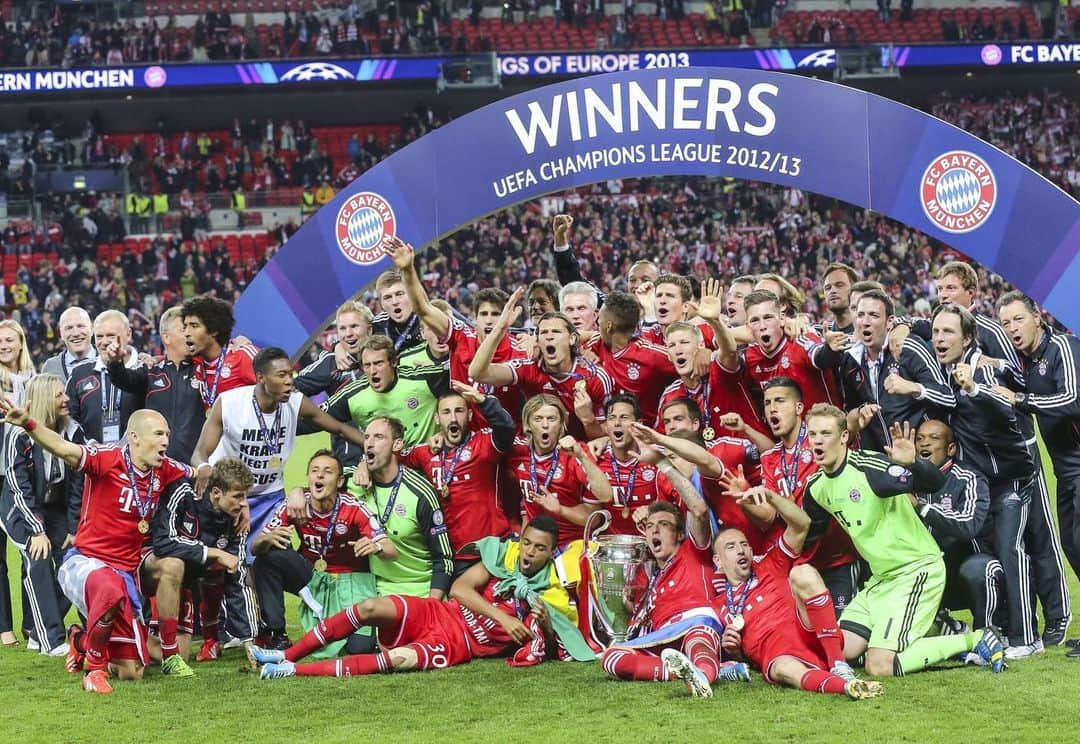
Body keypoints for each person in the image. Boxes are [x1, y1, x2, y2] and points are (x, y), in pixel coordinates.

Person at [0, 401, 192, 694]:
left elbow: (201, 474)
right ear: (135, 437)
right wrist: (29, 423)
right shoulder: (106, 457)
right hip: (85, 564)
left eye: (167, 434)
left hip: (127, 573)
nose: (166, 440)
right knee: (110, 585)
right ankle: (94, 669)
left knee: (132, 673)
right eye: (158, 434)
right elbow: (64, 449)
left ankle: (80, 641)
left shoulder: (164, 469)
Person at [247, 517, 595, 678]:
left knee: (397, 660)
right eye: (528, 543)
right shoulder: (502, 557)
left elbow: (551, 648)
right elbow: (460, 589)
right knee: (369, 608)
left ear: (551, 553)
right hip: (441, 612)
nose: (529, 553)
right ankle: (283, 653)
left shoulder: (550, 594)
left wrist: (547, 629)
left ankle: (292, 670)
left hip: (459, 643)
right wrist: (503, 617)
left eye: (539, 549)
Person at [801, 404, 1006, 676]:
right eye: (813, 433)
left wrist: (913, 463)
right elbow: (808, 538)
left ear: (843, 437)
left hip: (916, 570)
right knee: (842, 650)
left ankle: (976, 639)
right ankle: (937, 627)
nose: (817, 440)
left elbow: (933, 484)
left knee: (879, 665)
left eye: (825, 433)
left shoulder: (870, 470)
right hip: (882, 580)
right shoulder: (816, 488)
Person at [931, 303, 1039, 658]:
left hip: (1010, 480)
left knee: (1011, 552)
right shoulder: (950, 372)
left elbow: (1008, 410)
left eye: (948, 331)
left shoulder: (980, 370)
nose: (940, 338)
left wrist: (975, 389)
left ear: (968, 337)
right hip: (985, 484)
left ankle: (1027, 638)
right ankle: (1001, 632)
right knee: (989, 556)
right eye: (936, 332)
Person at [192, 347, 367, 563]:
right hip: (231, 497)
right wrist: (203, 467)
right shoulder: (229, 403)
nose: (289, 381)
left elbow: (338, 428)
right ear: (261, 378)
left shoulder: (295, 402)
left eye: (291, 374)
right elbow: (200, 453)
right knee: (223, 564)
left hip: (270, 498)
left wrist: (372, 446)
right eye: (281, 375)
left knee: (273, 561)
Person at [713, 483, 882, 699]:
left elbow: (802, 524)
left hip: (808, 632)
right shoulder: (716, 605)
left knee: (802, 572)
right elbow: (730, 655)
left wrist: (770, 497)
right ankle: (846, 687)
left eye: (744, 544)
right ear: (718, 560)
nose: (740, 550)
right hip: (776, 654)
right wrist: (734, 651)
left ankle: (838, 664)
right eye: (731, 547)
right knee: (784, 670)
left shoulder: (770, 565)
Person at [996, 290, 1080, 653]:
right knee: (1073, 546)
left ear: (1037, 317)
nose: (1013, 328)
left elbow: (1072, 399)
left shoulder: (1062, 346)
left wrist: (1020, 399)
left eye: (1018, 319)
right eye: (1005, 323)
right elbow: (1023, 387)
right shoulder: (1026, 363)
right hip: (1065, 469)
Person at [601, 498, 750, 699]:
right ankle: (701, 671)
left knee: (698, 642)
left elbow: (699, 510)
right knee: (612, 658)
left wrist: (666, 466)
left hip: (697, 621)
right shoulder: (647, 576)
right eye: (650, 526)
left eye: (664, 525)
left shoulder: (693, 552)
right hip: (664, 636)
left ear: (680, 534)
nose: (655, 531)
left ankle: (702, 676)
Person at [253, 450, 397, 655]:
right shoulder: (295, 506)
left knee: (360, 649)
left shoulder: (354, 508)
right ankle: (277, 635)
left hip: (349, 583)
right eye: (314, 471)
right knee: (267, 556)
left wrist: (377, 547)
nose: (319, 476)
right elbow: (255, 547)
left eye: (327, 472)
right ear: (308, 478)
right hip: (312, 577)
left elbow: (391, 550)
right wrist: (266, 539)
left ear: (339, 482)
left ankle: (362, 635)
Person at [144, 457, 258, 677]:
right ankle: (113, 638)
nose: (245, 504)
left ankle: (125, 638)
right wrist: (214, 553)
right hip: (154, 572)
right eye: (238, 497)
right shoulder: (183, 491)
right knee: (174, 564)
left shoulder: (236, 520)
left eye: (245, 496)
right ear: (216, 493)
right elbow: (163, 542)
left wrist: (249, 641)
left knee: (180, 655)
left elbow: (238, 578)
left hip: (184, 581)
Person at [757, 377, 862, 614]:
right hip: (803, 564)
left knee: (843, 636)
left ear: (798, 408)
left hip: (838, 559)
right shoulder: (769, 459)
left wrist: (856, 418)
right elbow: (768, 516)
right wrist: (744, 497)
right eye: (767, 403)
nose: (771, 408)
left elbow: (849, 429)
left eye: (779, 401)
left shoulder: (819, 440)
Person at [0, 374, 85, 655]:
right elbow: (17, 485)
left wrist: (73, 528)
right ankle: (51, 640)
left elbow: (78, 486)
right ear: (43, 400)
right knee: (38, 558)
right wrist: (37, 530)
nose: (67, 399)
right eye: (59, 395)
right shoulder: (18, 434)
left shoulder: (73, 431)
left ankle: (38, 629)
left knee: (72, 559)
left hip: (57, 508)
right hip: (19, 508)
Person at [399, 382, 514, 573]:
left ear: (469, 415)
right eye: (446, 412)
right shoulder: (425, 452)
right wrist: (363, 463)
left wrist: (483, 401)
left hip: (496, 548)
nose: (453, 418)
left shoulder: (485, 443)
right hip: (454, 556)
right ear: (437, 418)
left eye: (459, 411)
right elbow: (391, 458)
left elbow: (507, 428)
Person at [820, 289, 955, 450]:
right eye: (861, 315)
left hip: (921, 454)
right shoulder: (850, 360)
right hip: (884, 460)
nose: (865, 321)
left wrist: (913, 388)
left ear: (890, 322)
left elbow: (949, 398)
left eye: (874, 315)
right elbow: (851, 408)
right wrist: (859, 412)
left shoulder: (909, 346)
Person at [910, 418, 1004, 635]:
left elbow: (968, 525)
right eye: (920, 439)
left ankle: (987, 634)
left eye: (934, 438)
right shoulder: (907, 480)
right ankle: (950, 628)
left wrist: (923, 508)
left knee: (980, 568)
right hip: (924, 573)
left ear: (950, 448)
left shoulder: (969, 478)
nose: (925, 444)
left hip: (962, 571)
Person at [471, 302, 611, 441]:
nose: (549, 337)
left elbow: (606, 439)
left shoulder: (595, 377)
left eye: (556, 332)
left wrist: (588, 420)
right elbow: (477, 373)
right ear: (537, 341)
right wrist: (500, 328)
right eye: (544, 333)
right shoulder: (528, 368)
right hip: (540, 450)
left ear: (572, 338)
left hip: (581, 451)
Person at [347, 416, 453, 598]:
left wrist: (432, 605)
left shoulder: (420, 493)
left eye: (378, 437)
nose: (369, 444)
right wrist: (297, 493)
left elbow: (443, 559)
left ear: (397, 445)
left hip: (420, 589)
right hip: (375, 589)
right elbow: (319, 483)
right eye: (366, 438)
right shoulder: (352, 481)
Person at [507, 395, 613, 547]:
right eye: (538, 419)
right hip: (532, 546)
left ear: (562, 424)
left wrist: (560, 510)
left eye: (551, 419)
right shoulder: (518, 452)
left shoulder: (575, 453)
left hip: (570, 545)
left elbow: (605, 496)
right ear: (528, 425)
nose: (545, 425)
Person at [105, 307, 202, 462]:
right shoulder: (151, 371)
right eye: (184, 329)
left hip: (195, 467)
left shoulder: (204, 371)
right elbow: (124, 379)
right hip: (157, 468)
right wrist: (115, 362)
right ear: (166, 337)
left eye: (192, 328)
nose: (190, 333)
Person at [324, 335, 448, 449]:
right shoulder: (353, 396)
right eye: (367, 365)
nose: (373, 371)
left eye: (378, 363)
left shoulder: (423, 379)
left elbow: (461, 379)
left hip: (431, 459)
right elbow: (315, 417)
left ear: (393, 362)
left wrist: (444, 432)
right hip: (390, 469)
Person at [582, 290, 677, 426]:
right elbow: (570, 337)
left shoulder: (651, 355)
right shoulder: (595, 344)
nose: (597, 322)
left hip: (646, 434)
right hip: (606, 430)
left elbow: (689, 364)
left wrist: (705, 355)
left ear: (609, 326)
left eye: (600, 319)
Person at [66, 310, 144, 444]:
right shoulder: (80, 372)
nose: (104, 342)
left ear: (128, 334)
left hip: (135, 459)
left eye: (111, 336)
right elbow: (68, 416)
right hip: (91, 459)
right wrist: (88, 446)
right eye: (99, 336)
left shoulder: (146, 370)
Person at [181, 295, 257, 412]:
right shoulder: (197, 361)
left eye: (194, 326)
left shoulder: (242, 355)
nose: (186, 332)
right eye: (185, 326)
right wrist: (153, 360)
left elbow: (275, 387)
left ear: (214, 330)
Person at [371, 269, 425, 354]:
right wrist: (342, 349)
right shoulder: (377, 324)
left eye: (399, 294)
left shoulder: (428, 316)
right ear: (382, 304)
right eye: (388, 297)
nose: (395, 302)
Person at [41, 307, 97, 381]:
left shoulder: (109, 362)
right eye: (69, 328)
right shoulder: (50, 368)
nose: (75, 333)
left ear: (92, 329)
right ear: (61, 334)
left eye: (80, 326)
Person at [820, 262, 859, 334]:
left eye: (839, 285)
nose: (832, 291)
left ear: (854, 291)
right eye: (828, 288)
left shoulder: (868, 334)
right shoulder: (820, 333)